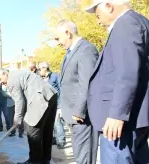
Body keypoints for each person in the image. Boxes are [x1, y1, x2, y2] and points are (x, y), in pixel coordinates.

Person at [85, 1, 149, 163]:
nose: (98, 21)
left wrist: (117, 114)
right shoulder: (139, 21)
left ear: (109, 6)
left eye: (98, 15)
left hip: (119, 122)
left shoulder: (125, 24)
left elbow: (127, 72)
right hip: (133, 117)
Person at [53, 19, 99, 164]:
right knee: (80, 155)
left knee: (84, 157)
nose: (58, 42)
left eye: (58, 38)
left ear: (68, 33)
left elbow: (86, 82)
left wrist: (79, 110)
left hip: (81, 116)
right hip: (73, 115)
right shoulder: (70, 52)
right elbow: (68, 84)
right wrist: (62, 107)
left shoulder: (86, 50)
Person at [0, 68, 58, 164]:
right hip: (51, 95)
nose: (0, 83)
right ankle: (45, 160)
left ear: (5, 74)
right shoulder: (18, 73)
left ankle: (34, 161)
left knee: (32, 130)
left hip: (40, 98)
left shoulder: (11, 80)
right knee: (46, 131)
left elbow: (19, 101)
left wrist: (17, 119)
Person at [38, 61, 66, 149]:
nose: (39, 71)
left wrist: (61, 106)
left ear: (45, 68)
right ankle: (53, 138)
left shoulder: (55, 76)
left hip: (56, 104)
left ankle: (61, 141)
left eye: (39, 69)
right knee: (50, 123)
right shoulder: (40, 78)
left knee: (57, 123)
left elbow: (61, 90)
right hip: (46, 105)